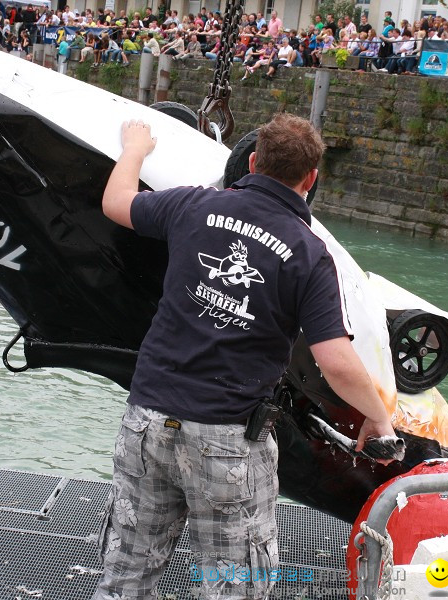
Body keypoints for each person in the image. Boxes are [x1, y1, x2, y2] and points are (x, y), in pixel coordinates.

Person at [91, 114, 395, 599]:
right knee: (232, 582)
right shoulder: (310, 253)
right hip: (228, 439)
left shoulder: (193, 204)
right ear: (311, 179)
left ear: (252, 161)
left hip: (146, 421)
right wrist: (380, 419)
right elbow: (335, 361)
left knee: (128, 570)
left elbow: (115, 202)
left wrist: (134, 148)